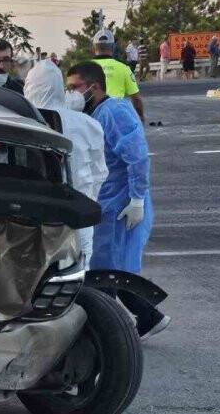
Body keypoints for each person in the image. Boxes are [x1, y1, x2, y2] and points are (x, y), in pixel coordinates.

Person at [65, 61, 169, 339]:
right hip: (108, 203)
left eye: (74, 87)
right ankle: (147, 318)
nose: (71, 94)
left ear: (93, 87)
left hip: (121, 206)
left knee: (106, 273)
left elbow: (137, 157)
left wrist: (136, 200)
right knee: (109, 269)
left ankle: (111, 332)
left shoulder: (115, 111)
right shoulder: (97, 113)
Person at [24, 60, 107, 267]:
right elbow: (100, 173)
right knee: (77, 271)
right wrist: (88, 198)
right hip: (79, 212)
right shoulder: (88, 124)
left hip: (31, 217)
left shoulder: (17, 123)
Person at [90, 29, 145, 122]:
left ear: (94, 48)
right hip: (117, 119)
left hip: (92, 118)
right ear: (112, 47)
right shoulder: (124, 69)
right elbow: (136, 99)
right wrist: (141, 117)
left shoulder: (83, 68)